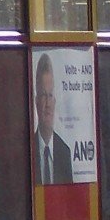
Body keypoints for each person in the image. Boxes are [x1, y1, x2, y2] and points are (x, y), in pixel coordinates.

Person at [33, 52, 74, 186]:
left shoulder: (64, 152)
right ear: (36, 101)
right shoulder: (28, 150)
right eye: (43, 95)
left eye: (50, 96)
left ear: (55, 101)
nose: (48, 104)